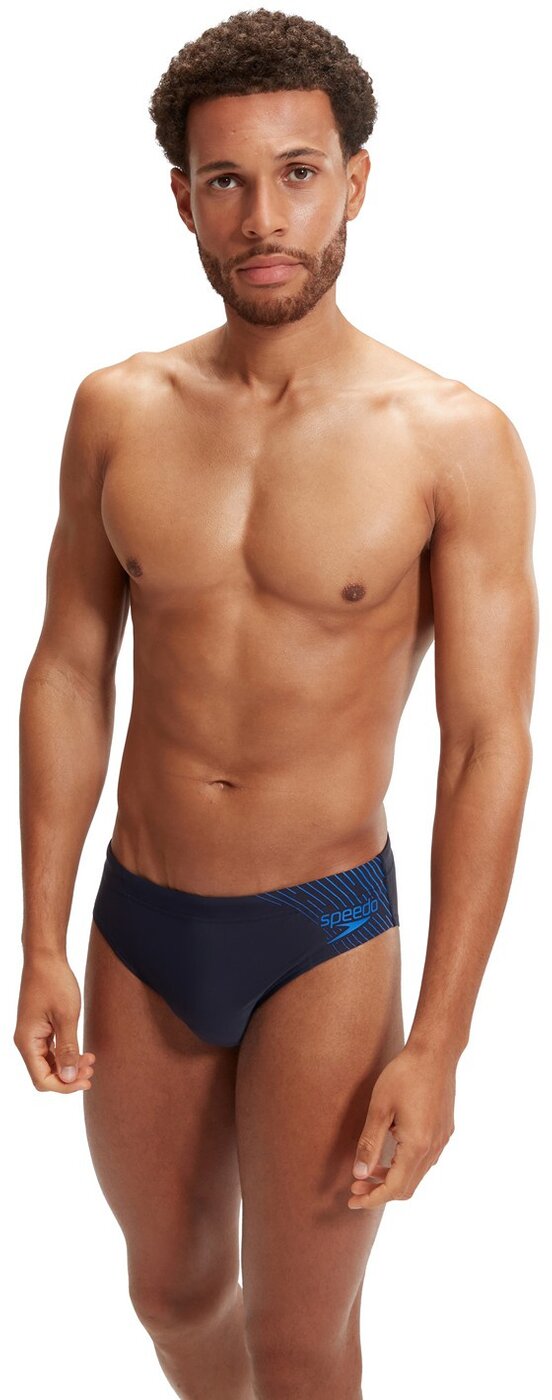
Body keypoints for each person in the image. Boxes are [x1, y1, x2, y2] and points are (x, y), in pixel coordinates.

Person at [15, 9, 538, 1400]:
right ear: (182, 197)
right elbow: (68, 667)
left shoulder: (453, 438)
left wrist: (440, 1040)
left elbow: (488, 745)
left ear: (355, 181)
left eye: (299, 174)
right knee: (173, 1291)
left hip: (323, 934)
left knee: (302, 1341)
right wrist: (43, 937)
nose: (264, 219)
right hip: (138, 921)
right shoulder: (118, 409)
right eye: (227, 181)